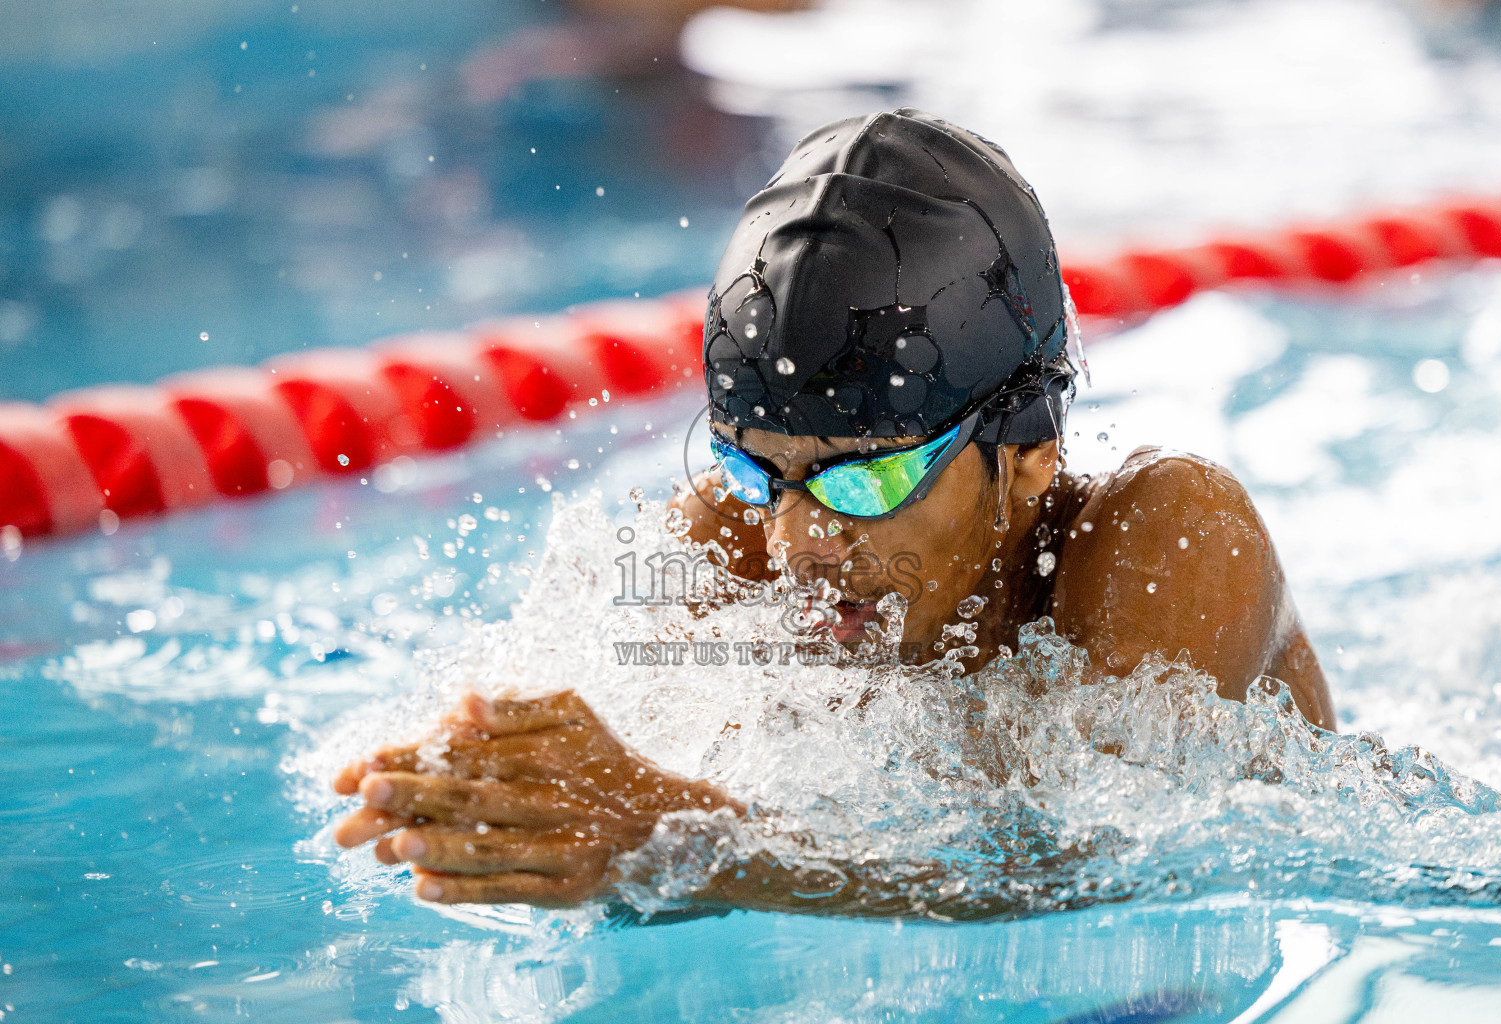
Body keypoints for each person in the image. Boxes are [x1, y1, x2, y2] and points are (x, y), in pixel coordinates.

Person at [333, 109, 1335, 913]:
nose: (797, 539)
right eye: (757, 471)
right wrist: (505, 793)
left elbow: (1096, 867)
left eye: (863, 479)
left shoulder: (1166, 537)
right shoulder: (732, 536)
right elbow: (630, 776)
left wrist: (679, 839)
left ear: (1026, 459)